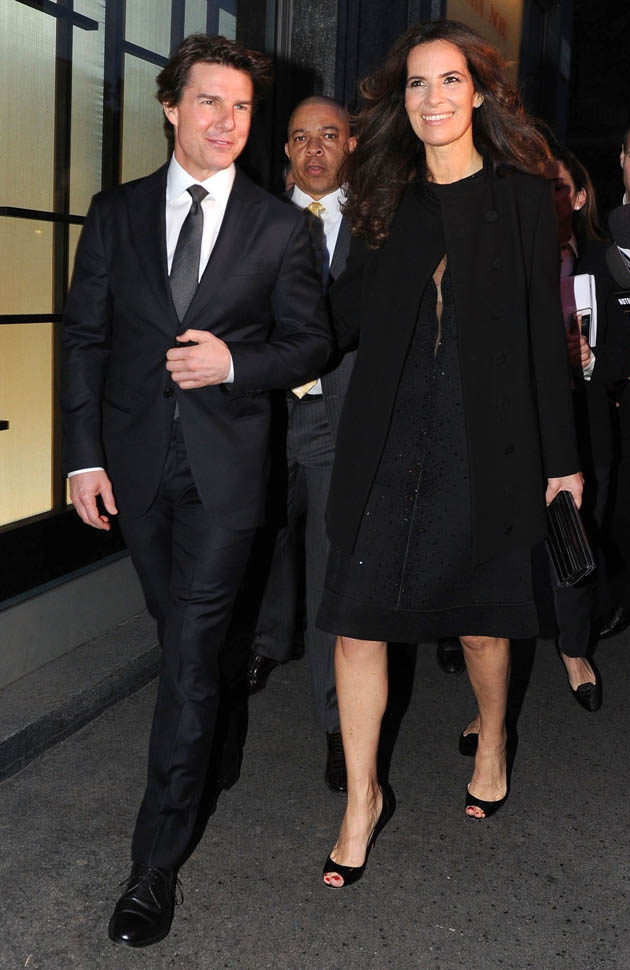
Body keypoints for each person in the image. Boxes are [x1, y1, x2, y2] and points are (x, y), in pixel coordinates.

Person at [61, 33, 332, 946]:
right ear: (171, 106)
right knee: (184, 637)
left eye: (243, 106)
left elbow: (310, 342)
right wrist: (83, 457)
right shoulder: (116, 212)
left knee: (185, 658)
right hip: (136, 469)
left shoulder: (279, 227)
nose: (228, 120)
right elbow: (86, 339)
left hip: (225, 476)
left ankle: (152, 866)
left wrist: (234, 364)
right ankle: (214, 729)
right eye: (210, 100)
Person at [315, 20, 583, 888]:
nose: (432, 97)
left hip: (483, 445)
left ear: (478, 93)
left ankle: (492, 733)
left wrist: (561, 461)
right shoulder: (383, 199)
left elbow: (543, 340)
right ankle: (362, 799)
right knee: (356, 626)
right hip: (386, 445)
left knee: (481, 627)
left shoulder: (522, 198)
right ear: (402, 100)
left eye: (449, 80)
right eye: (416, 83)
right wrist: (249, 345)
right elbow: (336, 318)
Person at [246, 96, 356, 794]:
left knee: (329, 573)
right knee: (260, 543)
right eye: (300, 138)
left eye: (328, 136)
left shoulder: (377, 226)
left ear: (351, 145)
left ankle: (339, 724)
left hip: (337, 419)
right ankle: (264, 642)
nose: (314, 150)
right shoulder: (252, 220)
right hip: (262, 417)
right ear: (286, 150)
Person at [546, 145, 630, 708]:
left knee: (577, 537)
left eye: (561, 186)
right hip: (519, 426)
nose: (552, 197)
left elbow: (629, 354)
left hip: (588, 425)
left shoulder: (606, 262)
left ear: (581, 197)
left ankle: (573, 647)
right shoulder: (509, 256)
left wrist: (588, 359)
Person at [599, 114, 630, 638]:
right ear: (621, 160)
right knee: (622, 501)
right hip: (615, 389)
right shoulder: (598, 231)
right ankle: (625, 592)